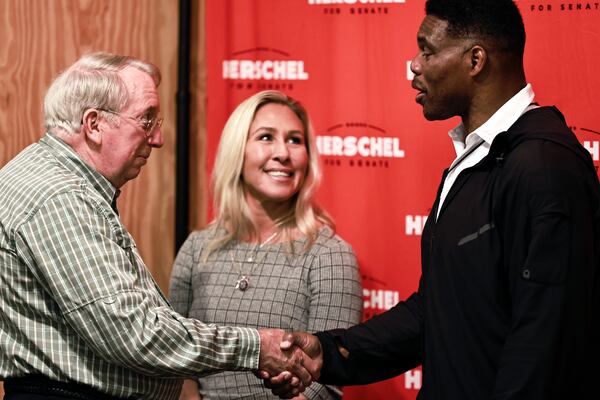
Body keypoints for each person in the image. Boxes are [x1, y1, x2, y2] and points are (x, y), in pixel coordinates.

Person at [265, 1, 600, 399]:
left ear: (475, 60)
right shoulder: (479, 159)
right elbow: (440, 311)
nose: (414, 66)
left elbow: (546, 342)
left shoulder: (544, 165)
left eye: (427, 50)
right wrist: (328, 354)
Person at [0, 52, 318, 400]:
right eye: (146, 120)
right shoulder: (60, 196)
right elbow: (132, 332)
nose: (158, 138)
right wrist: (257, 347)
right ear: (94, 124)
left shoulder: (56, 182)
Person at [169, 90, 363, 400]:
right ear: (238, 151)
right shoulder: (197, 248)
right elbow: (175, 360)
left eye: (295, 140)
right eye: (266, 137)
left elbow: (324, 387)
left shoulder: (329, 254)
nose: (283, 153)